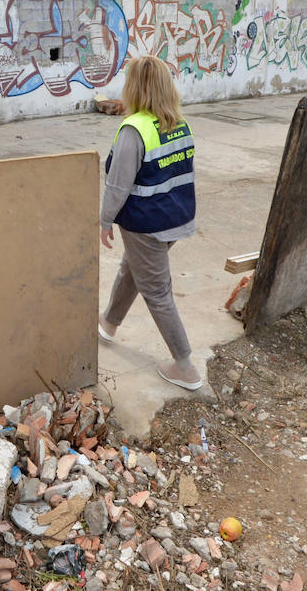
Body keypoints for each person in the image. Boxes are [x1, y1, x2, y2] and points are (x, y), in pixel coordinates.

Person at [97, 55, 202, 391]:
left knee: (157, 291)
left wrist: (104, 220)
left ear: (134, 88)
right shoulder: (179, 122)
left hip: (145, 223)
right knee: (134, 268)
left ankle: (185, 366)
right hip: (175, 217)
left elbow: (118, 184)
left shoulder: (134, 130)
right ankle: (108, 323)